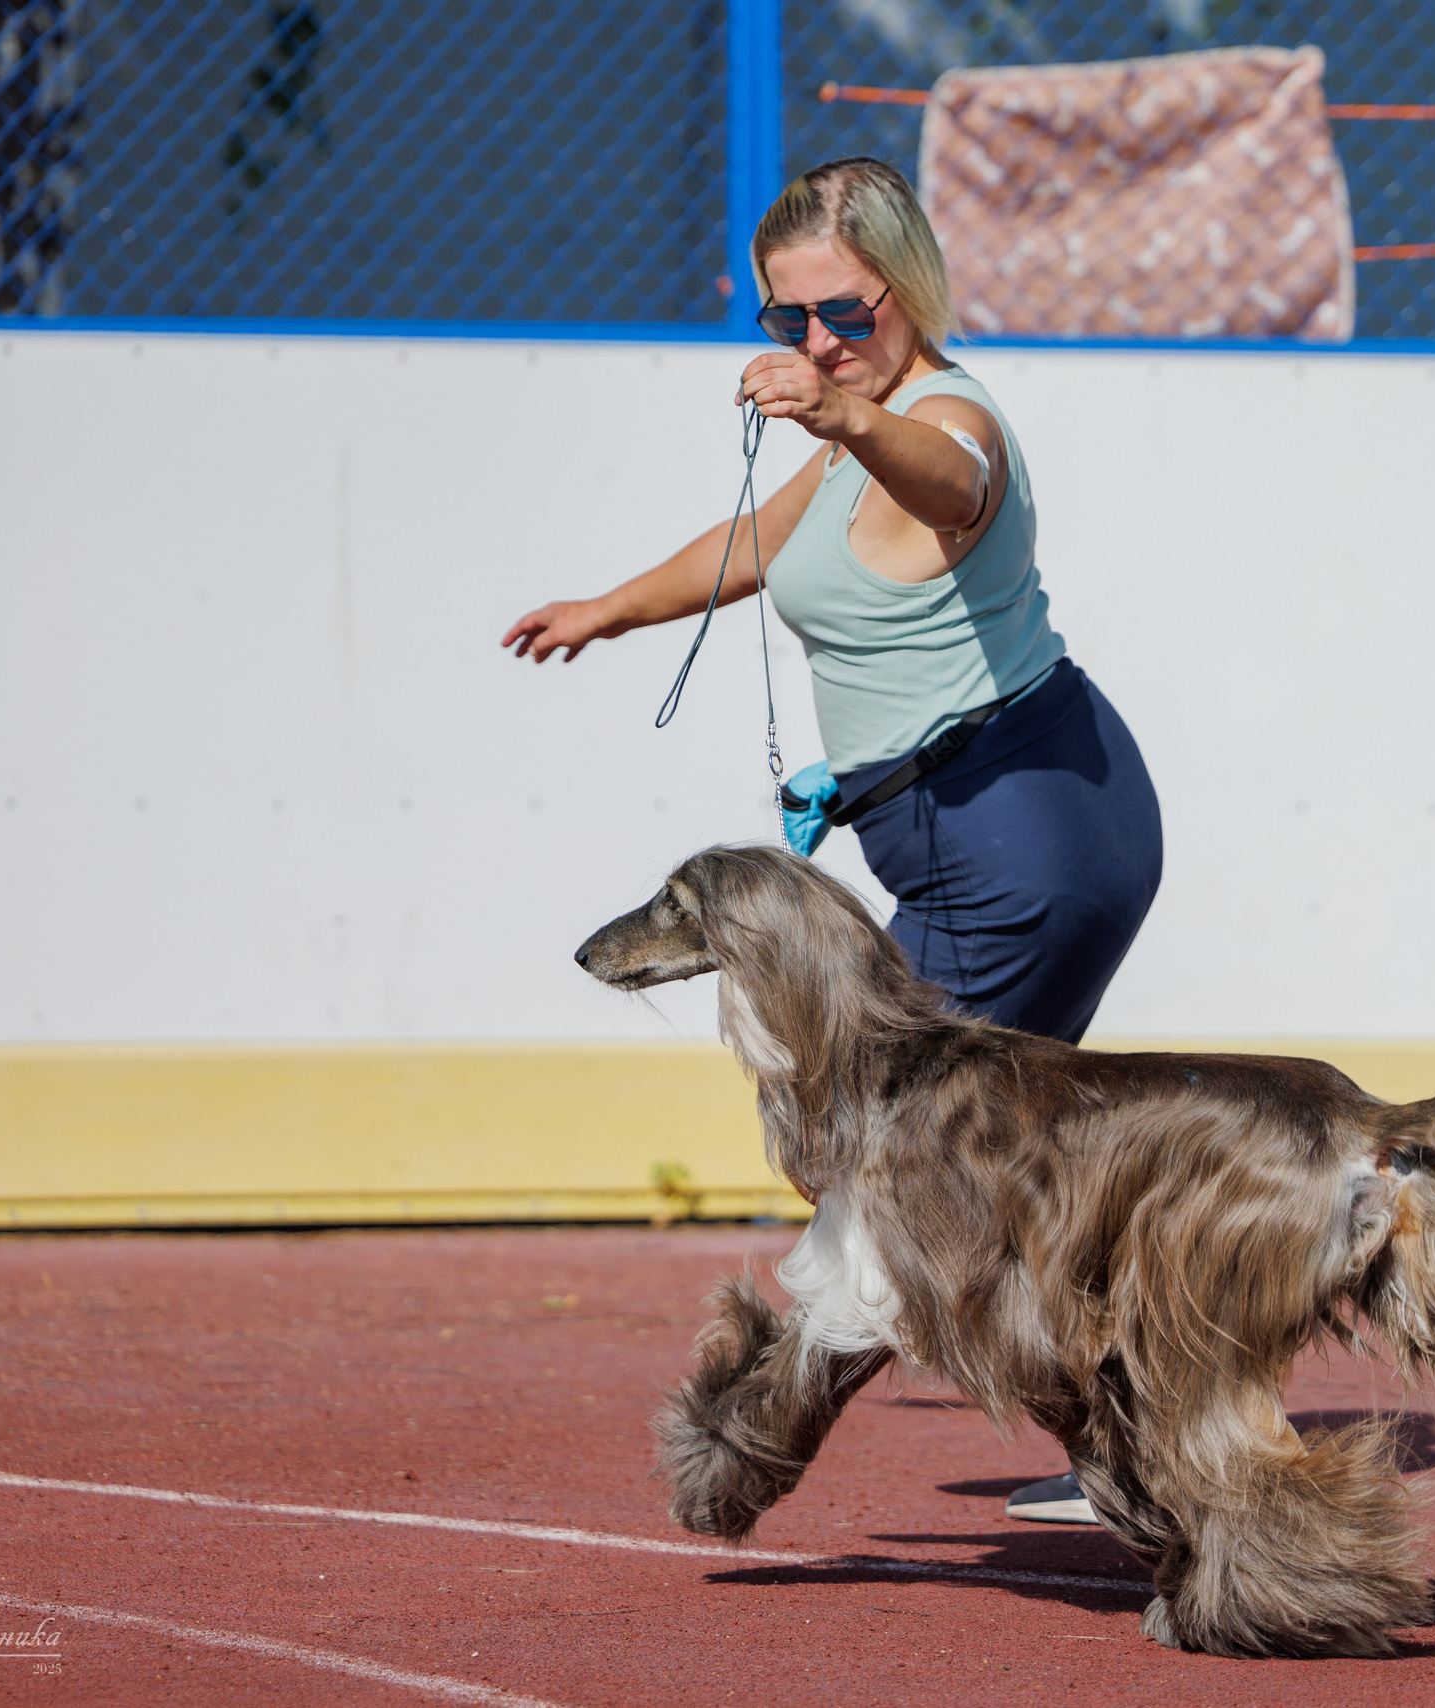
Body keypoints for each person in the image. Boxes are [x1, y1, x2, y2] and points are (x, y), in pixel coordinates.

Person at [501, 158, 1160, 1525]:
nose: (814, 344)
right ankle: (1140, 1434)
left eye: (846, 316)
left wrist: (851, 412)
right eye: (786, 318)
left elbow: (952, 486)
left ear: (905, 289)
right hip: (971, 840)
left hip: (1026, 845)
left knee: (899, 1175)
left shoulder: (937, 418)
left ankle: (759, 1444)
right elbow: (760, 550)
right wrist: (605, 611)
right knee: (944, 1171)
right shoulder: (847, 426)